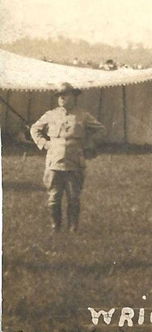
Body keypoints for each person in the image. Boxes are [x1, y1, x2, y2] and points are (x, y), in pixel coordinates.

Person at [29, 83, 105, 233]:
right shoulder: (51, 114)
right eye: (59, 95)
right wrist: (44, 143)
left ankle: (73, 228)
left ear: (74, 96)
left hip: (74, 162)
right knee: (54, 196)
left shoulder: (83, 115)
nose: (62, 98)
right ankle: (55, 226)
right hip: (54, 161)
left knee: (73, 196)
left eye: (66, 94)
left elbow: (101, 130)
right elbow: (34, 128)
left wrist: (88, 144)